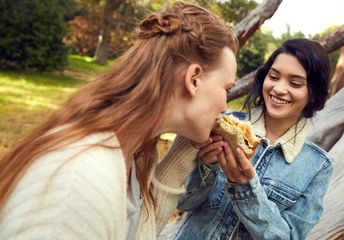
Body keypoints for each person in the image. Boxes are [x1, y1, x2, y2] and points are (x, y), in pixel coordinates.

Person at [0, 2, 238, 240]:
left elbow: (136, 230)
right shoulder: (78, 185)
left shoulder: (135, 154)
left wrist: (187, 148)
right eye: (226, 89)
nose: (225, 107)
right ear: (194, 79)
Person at [173, 38, 334, 239]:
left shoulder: (318, 166)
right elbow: (181, 204)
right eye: (273, 77)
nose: (279, 89)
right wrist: (207, 168)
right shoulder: (220, 123)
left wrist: (245, 187)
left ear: (313, 93)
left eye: (294, 83)